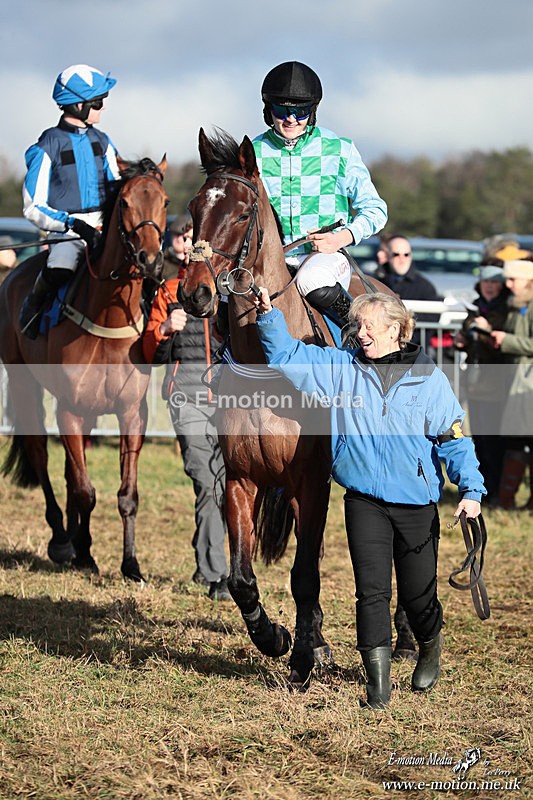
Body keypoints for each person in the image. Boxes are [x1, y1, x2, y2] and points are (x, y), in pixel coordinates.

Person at [253, 287, 485, 709]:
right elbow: (287, 356)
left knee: (418, 596)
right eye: (358, 326)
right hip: (364, 501)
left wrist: (471, 489)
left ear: (396, 329)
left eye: (369, 326)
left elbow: (453, 439)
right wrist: (269, 316)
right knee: (371, 592)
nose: (361, 333)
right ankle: (377, 688)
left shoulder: (428, 378)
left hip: (416, 504)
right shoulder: (343, 369)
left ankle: (429, 644)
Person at [252, 61, 387, 328]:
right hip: (268, 260)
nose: (291, 119)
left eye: (301, 111)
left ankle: (355, 332)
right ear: (269, 110)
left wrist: (341, 238)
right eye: (282, 110)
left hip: (324, 258)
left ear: (312, 112)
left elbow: (376, 210)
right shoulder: (252, 152)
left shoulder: (339, 149)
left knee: (311, 280)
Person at [142, 250, 231, 601]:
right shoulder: (168, 291)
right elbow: (150, 356)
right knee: (208, 484)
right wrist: (164, 330)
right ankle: (217, 574)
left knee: (227, 487)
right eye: (183, 240)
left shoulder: (228, 290)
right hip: (187, 402)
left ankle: (206, 551)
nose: (188, 247)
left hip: (231, 405)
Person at [20, 64, 120, 338]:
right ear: (78, 105)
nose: (103, 107)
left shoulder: (104, 142)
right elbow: (32, 206)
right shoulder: (47, 146)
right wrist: (72, 224)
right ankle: (33, 311)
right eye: (98, 102)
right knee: (61, 268)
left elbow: (118, 188)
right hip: (67, 231)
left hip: (104, 226)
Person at [453, 266, 511, 506]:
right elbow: (469, 339)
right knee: (479, 438)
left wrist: (486, 331)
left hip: (497, 381)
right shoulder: (476, 306)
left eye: (494, 282)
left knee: (494, 440)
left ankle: (496, 489)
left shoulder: (507, 310)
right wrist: (461, 341)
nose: (489, 286)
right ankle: (484, 488)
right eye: (485, 281)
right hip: (475, 381)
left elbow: (504, 346)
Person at [490, 260, 533, 510]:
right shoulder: (516, 304)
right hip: (516, 380)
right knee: (516, 441)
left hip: (527, 384)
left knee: (521, 441)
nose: (508, 284)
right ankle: (507, 499)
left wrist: (507, 341)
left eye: (513, 279)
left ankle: (509, 500)